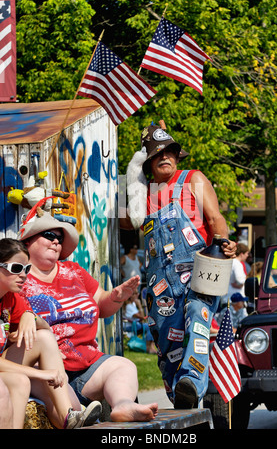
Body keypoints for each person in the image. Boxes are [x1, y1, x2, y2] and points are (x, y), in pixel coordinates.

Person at [120, 121, 236, 409]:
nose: (165, 157)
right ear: (148, 163)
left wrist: (224, 241)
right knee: (167, 342)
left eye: (170, 151)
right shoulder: (142, 195)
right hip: (161, 284)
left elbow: (216, 218)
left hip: (199, 270)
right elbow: (125, 222)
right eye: (157, 154)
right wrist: (132, 178)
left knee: (197, 315)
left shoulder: (193, 178)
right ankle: (182, 399)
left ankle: (192, 381)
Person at [19, 208, 158, 423]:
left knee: (123, 366)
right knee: (72, 407)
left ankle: (123, 405)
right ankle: (72, 410)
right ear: (28, 241)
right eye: (49, 235)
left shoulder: (74, 271)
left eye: (59, 237)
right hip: (47, 367)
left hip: (87, 364)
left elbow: (101, 305)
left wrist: (116, 297)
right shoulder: (18, 278)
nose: (56, 241)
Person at [0, 238, 102, 429]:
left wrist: (30, 316)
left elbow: (46, 331)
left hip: (6, 364)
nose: (23, 275)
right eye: (16, 268)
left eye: (26, 269)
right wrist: (42, 374)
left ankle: (69, 416)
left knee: (44, 340)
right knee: (22, 381)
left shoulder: (11, 298)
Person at [221, 242, 249, 307]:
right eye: (247, 253)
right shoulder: (238, 264)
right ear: (242, 254)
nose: (247, 255)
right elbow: (240, 280)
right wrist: (242, 283)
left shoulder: (229, 262)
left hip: (226, 297)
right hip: (236, 300)